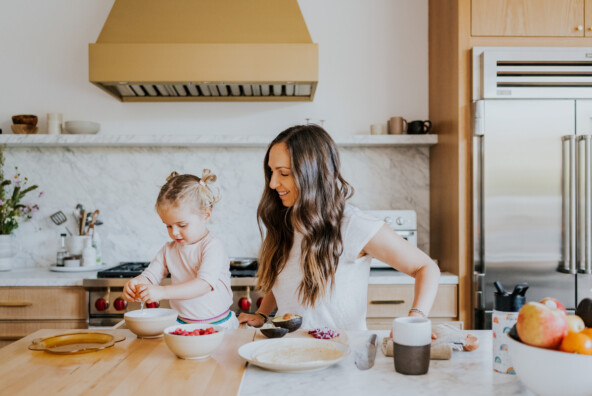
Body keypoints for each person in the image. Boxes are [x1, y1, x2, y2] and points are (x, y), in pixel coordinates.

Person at [238, 125, 440, 331]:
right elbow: (288, 280)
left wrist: (416, 318)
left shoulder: (353, 224)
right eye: (271, 172)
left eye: (284, 173)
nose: (272, 183)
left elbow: (426, 268)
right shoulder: (287, 219)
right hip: (290, 351)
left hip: (343, 355)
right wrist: (262, 313)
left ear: (313, 174)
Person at [123, 170, 237, 329]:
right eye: (168, 226)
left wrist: (162, 292)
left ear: (205, 215)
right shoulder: (168, 250)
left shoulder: (212, 246)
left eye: (182, 225)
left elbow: (203, 285)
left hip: (220, 325)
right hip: (180, 325)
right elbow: (150, 276)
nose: (174, 232)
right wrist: (137, 283)